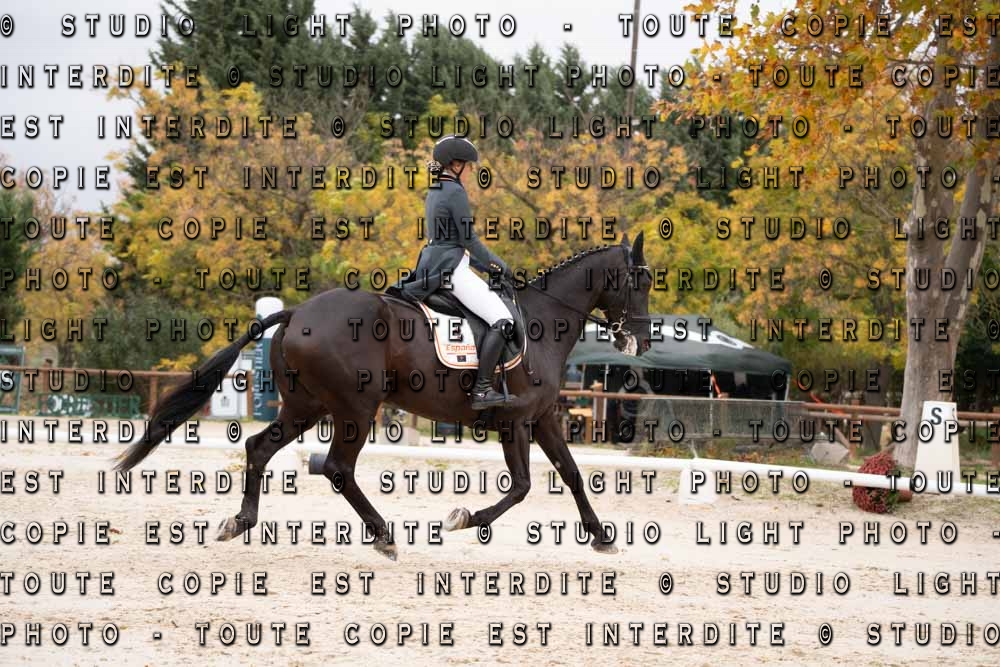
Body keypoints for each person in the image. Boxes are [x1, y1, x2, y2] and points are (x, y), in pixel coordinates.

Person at [394, 135, 517, 410]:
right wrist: (501, 266)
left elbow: (452, 241)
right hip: (451, 269)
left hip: (433, 263)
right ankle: (482, 390)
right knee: (503, 319)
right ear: (457, 164)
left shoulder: (435, 189)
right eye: (470, 166)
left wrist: (486, 267)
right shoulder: (455, 191)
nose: (471, 171)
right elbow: (468, 240)